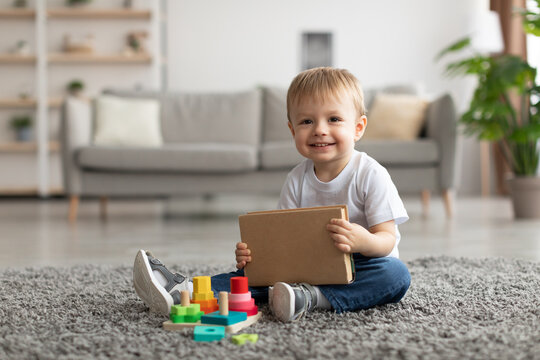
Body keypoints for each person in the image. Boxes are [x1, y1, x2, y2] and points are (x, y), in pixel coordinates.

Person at [133, 67, 411, 322]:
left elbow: (386, 240)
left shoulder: (370, 174)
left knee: (395, 275)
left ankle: (312, 298)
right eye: (306, 121)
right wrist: (254, 255)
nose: (320, 130)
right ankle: (185, 291)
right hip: (303, 266)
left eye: (334, 119)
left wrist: (363, 241)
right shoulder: (296, 179)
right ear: (292, 129)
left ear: (358, 128)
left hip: (361, 266)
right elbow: (283, 239)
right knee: (249, 277)